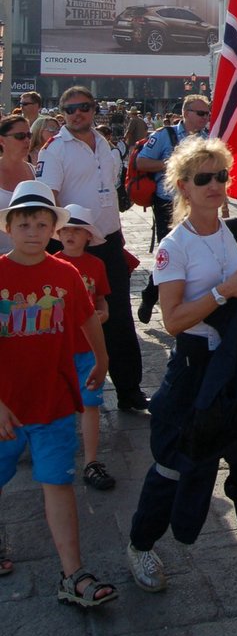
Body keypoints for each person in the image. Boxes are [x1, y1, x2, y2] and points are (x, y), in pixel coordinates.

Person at [127, 136, 237, 624]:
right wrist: (224, 293)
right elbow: (174, 320)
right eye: (203, 178)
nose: (215, 185)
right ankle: (140, 544)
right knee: (173, 465)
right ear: (182, 185)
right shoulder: (173, 248)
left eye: (221, 176)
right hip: (196, 367)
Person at [0, 181, 116, 607]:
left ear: (53, 229)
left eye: (41, 223)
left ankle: (73, 573)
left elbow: (88, 320)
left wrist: (102, 361)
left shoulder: (65, 274)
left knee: (58, 483)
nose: (32, 230)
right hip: (6, 408)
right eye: (24, 222)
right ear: (9, 227)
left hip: (53, 403)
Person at [37, 85, 148, 412]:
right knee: (71, 321)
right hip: (74, 247)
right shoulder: (54, 150)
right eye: (70, 109)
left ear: (94, 108)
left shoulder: (104, 143)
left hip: (110, 242)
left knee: (119, 317)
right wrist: (67, 243)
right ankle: (66, 393)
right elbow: (49, 200)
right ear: (63, 113)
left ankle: (129, 390)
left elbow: (109, 192)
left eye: (83, 106)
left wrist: (116, 234)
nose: (77, 113)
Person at [133, 95, 211, 324]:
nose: (205, 118)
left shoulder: (207, 139)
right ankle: (152, 295)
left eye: (207, 114)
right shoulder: (164, 136)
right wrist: (173, 164)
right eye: (201, 113)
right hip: (167, 202)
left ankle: (186, 300)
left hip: (197, 203)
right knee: (169, 252)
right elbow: (142, 162)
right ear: (186, 113)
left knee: (196, 252)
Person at [55, 205, 115, 492]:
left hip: (88, 348)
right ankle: (58, 457)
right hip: (60, 350)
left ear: (88, 236)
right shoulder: (51, 263)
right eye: (65, 229)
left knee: (90, 404)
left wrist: (103, 313)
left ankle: (91, 461)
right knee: (62, 405)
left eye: (76, 229)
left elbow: (102, 300)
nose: (69, 234)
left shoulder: (96, 266)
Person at [0, 115, 36, 255]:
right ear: (2, 140)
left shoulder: (33, 171)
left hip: (32, 257)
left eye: (29, 135)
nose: (27, 140)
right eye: (20, 136)